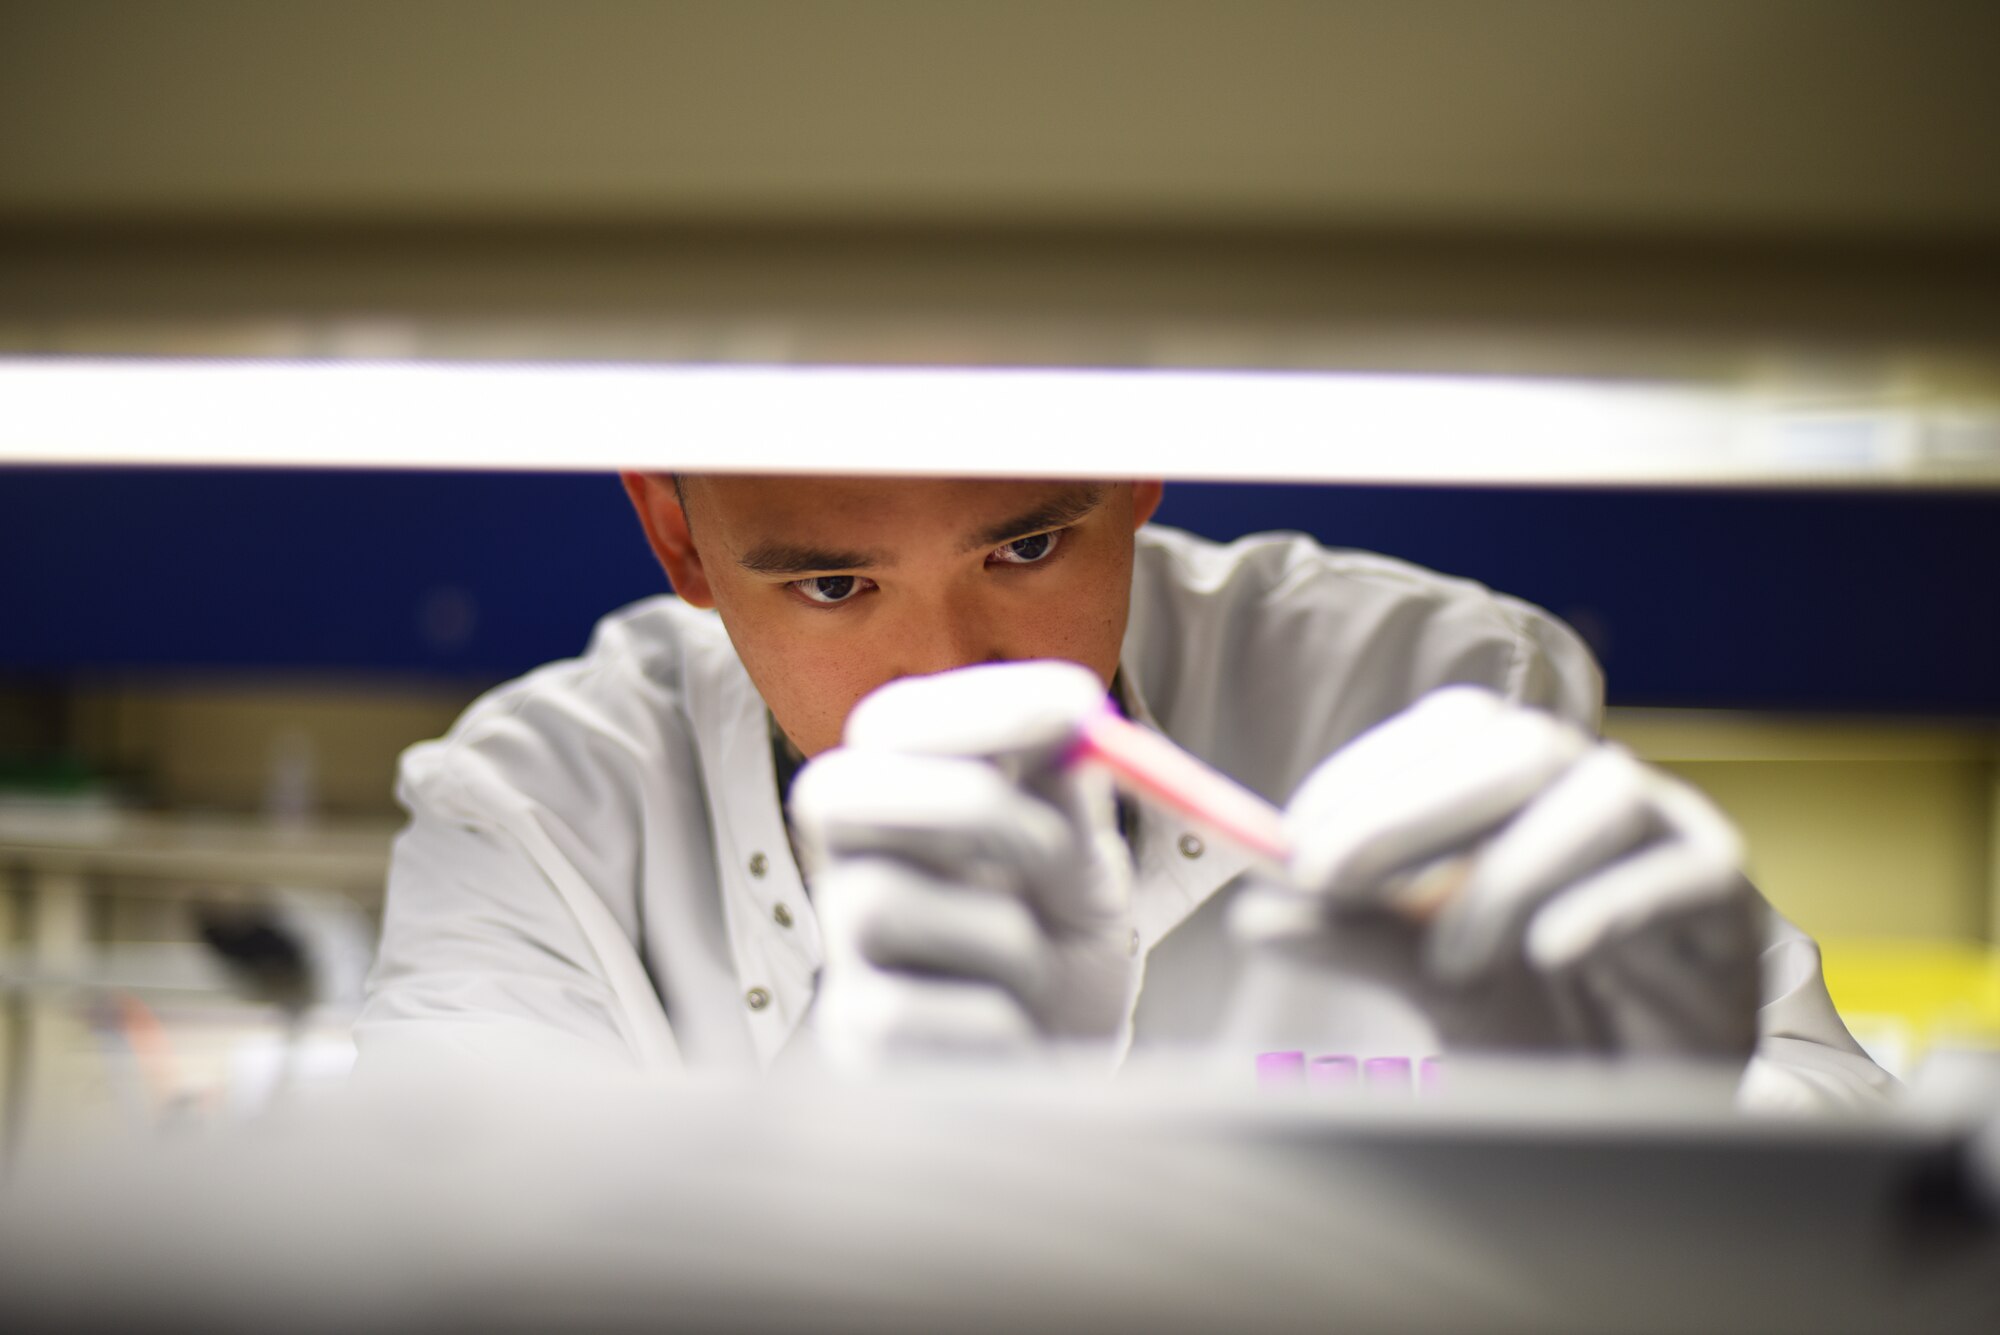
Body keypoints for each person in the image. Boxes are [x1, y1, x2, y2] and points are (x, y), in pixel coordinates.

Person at [357, 474, 1891, 1108]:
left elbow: (1889, 1230)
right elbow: (425, 1283)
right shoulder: (545, 818)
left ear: (1137, 464)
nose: (952, 671)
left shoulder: (1415, 683)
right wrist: (865, 1172)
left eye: (1026, 549)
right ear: (677, 539)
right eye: (834, 585)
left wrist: (1657, 1151)